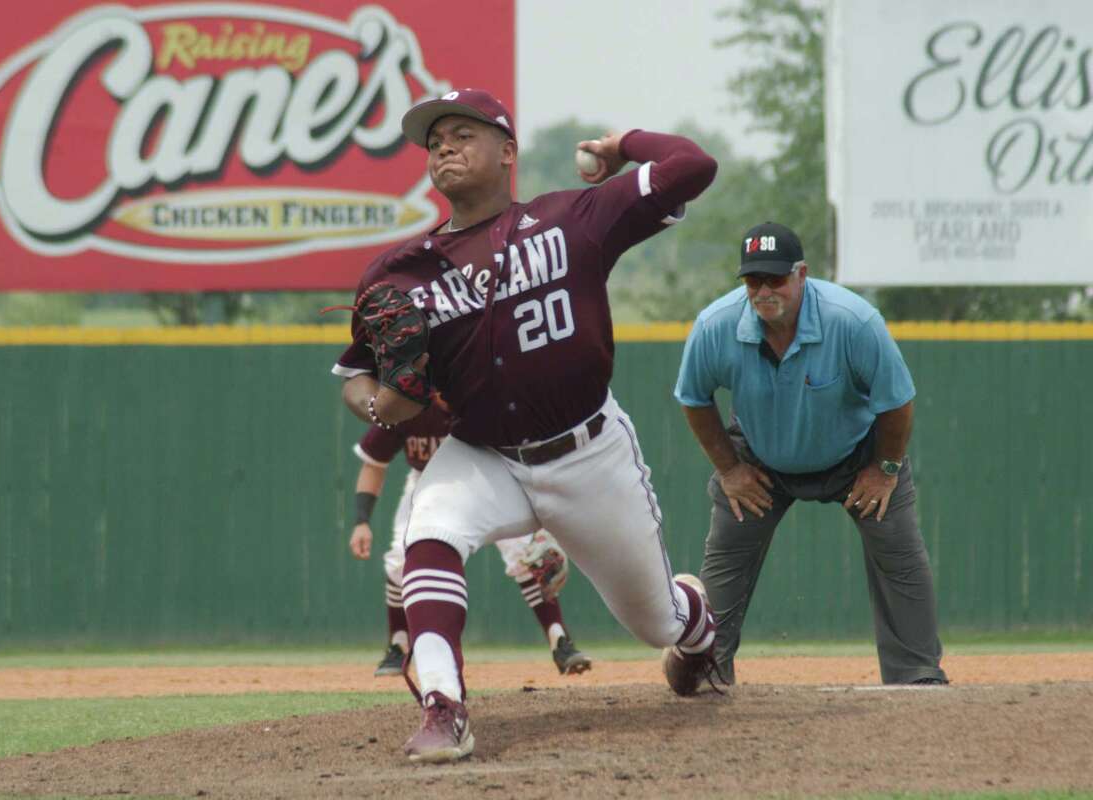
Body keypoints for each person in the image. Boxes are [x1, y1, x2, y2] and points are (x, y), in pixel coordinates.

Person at [331, 88, 721, 763]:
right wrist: (378, 406)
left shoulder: (576, 217)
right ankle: (444, 707)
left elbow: (693, 166)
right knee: (428, 533)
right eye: (435, 140)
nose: (445, 146)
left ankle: (696, 625)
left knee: (656, 621)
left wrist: (621, 143)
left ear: (508, 152)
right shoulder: (399, 272)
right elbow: (354, 378)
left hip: (587, 453)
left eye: (463, 133)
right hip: (483, 452)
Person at [673, 221, 949, 687]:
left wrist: (885, 470)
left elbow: (897, 401)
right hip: (760, 457)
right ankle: (707, 671)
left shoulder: (852, 321)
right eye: (753, 280)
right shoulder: (716, 326)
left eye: (775, 278)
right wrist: (729, 469)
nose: (763, 290)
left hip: (859, 453)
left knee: (900, 552)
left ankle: (917, 675)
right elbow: (693, 398)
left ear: (802, 274)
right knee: (725, 559)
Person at [348, 397, 593, 677]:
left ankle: (559, 640)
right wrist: (361, 521)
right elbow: (373, 464)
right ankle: (398, 646)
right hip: (427, 484)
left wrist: (540, 517)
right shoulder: (408, 404)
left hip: (486, 479)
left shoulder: (482, 399)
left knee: (528, 556)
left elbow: (527, 455)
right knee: (400, 561)